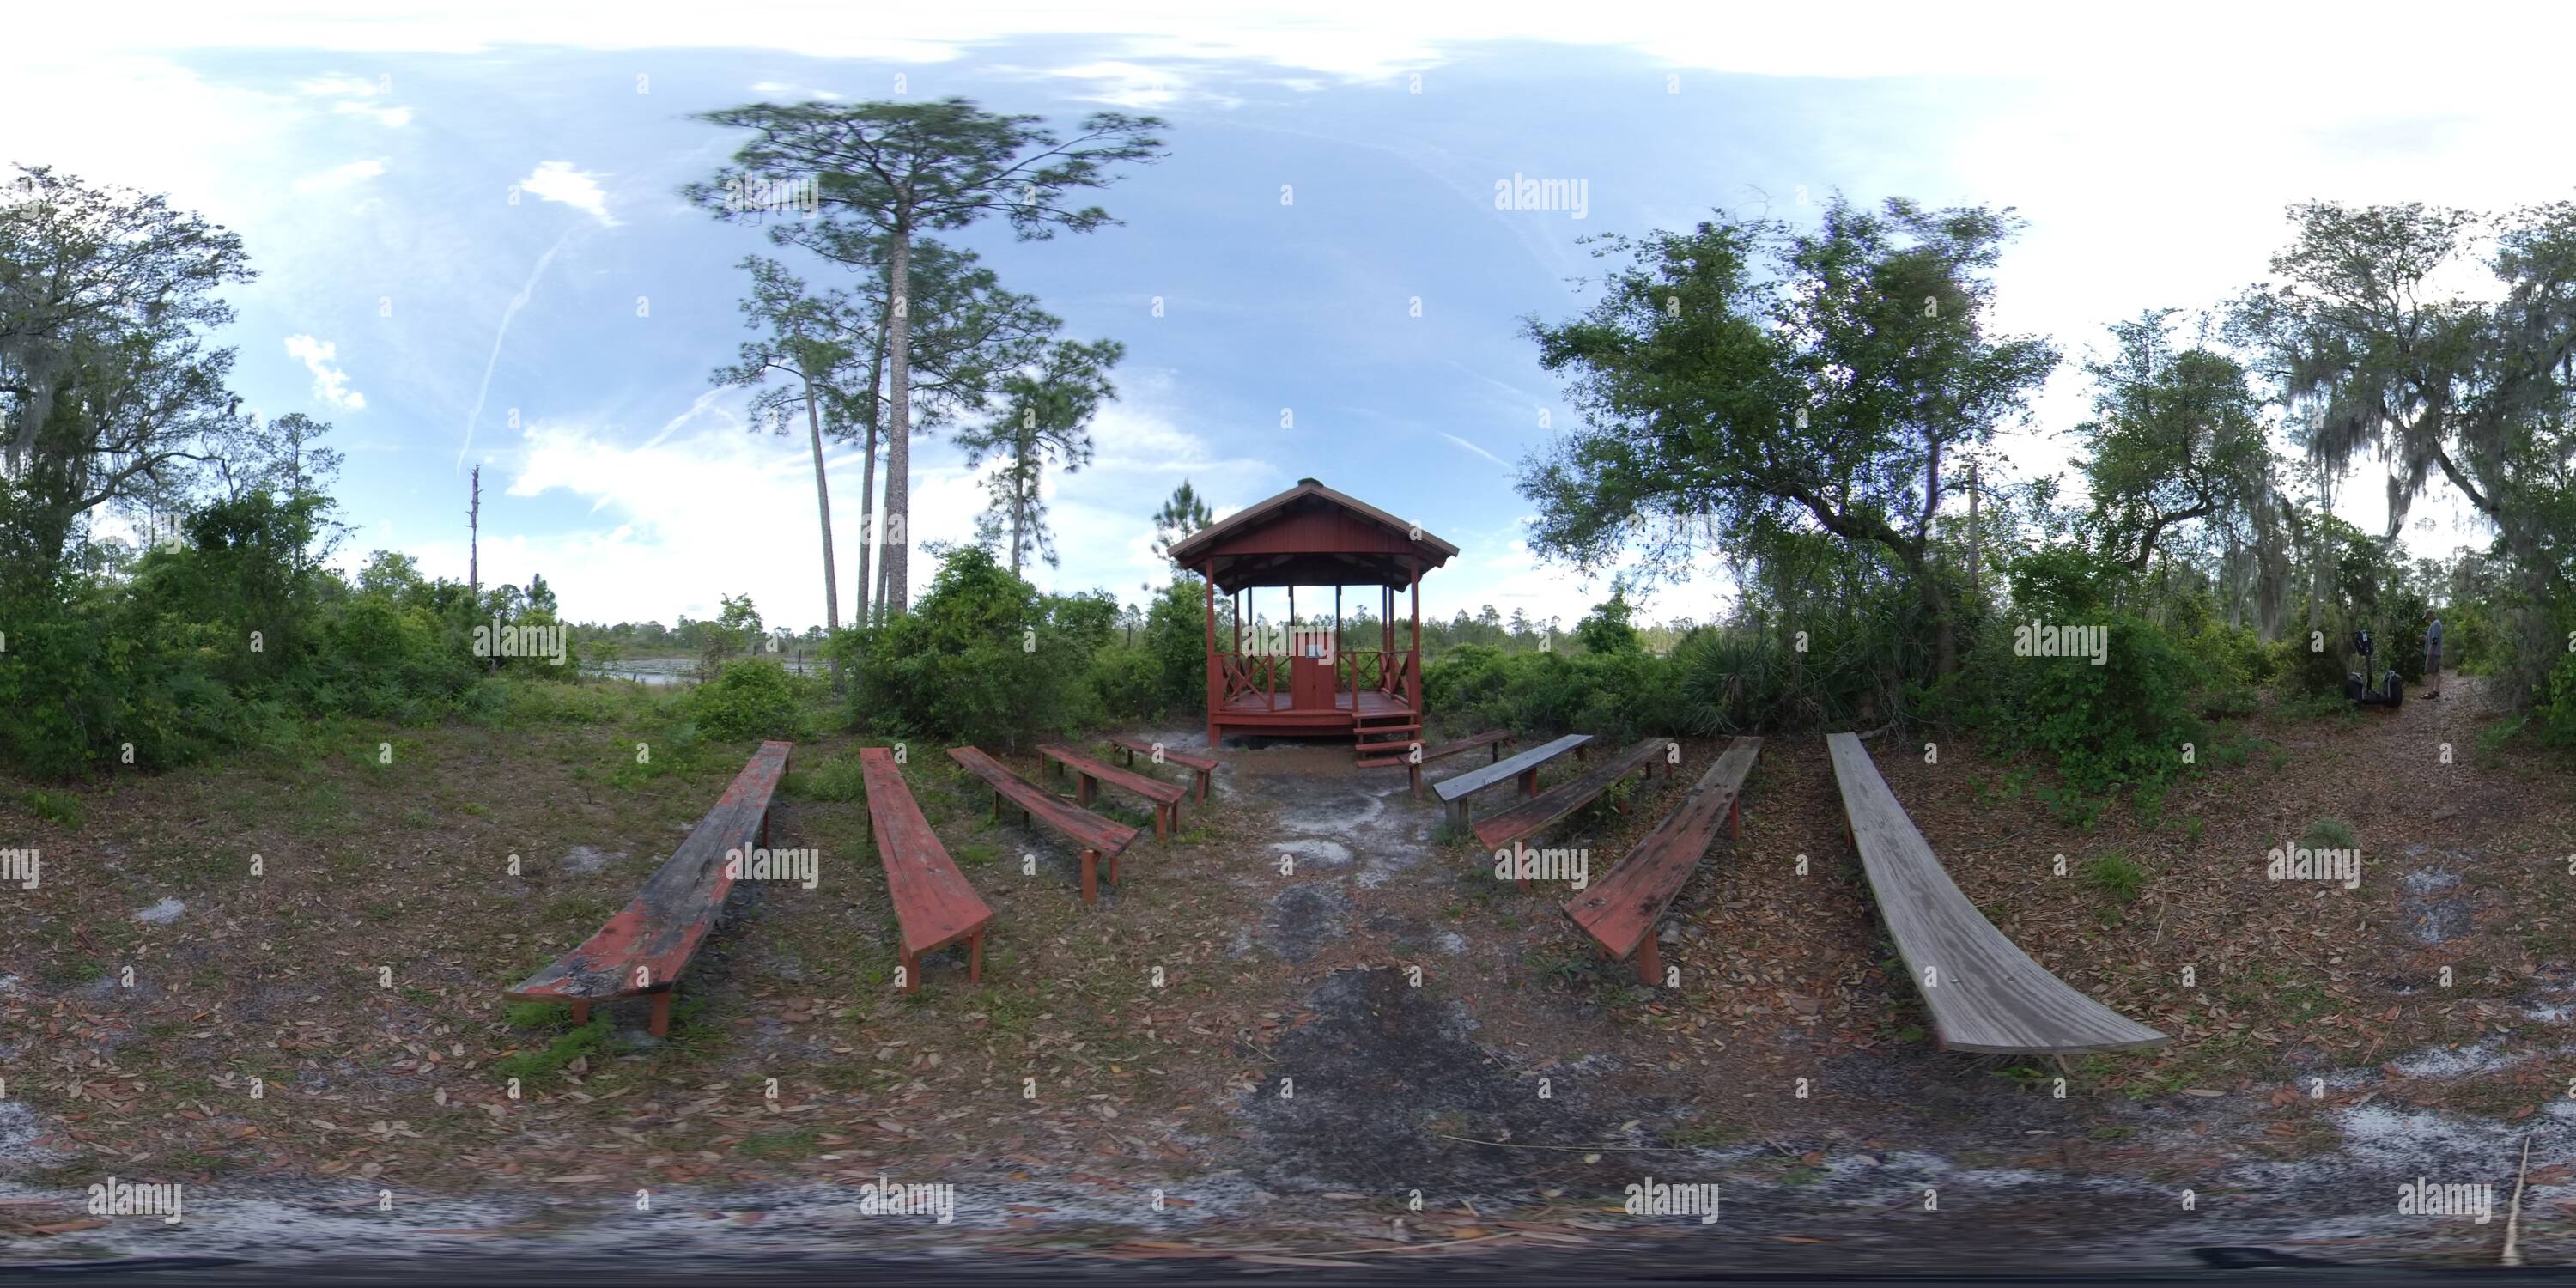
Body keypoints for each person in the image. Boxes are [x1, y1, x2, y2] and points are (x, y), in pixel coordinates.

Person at [2423, 611, 2443, 699]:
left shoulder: (2435, 624)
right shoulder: (2436, 624)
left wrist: (2430, 651)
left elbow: (2435, 639)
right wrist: (2424, 638)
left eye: (2427, 617)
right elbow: (2433, 638)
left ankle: (2430, 693)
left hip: (2433, 652)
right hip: (2437, 652)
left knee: (2429, 672)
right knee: (2436, 672)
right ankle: (2436, 691)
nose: (2427, 619)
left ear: (2431, 615)